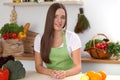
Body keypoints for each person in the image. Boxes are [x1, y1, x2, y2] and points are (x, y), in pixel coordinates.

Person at [34, 3, 82, 79]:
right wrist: (51, 72)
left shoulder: (72, 37)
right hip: (51, 77)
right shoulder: (39, 38)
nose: (59, 21)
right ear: (50, 18)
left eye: (62, 17)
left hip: (70, 77)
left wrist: (65, 73)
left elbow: (78, 67)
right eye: (55, 17)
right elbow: (38, 66)